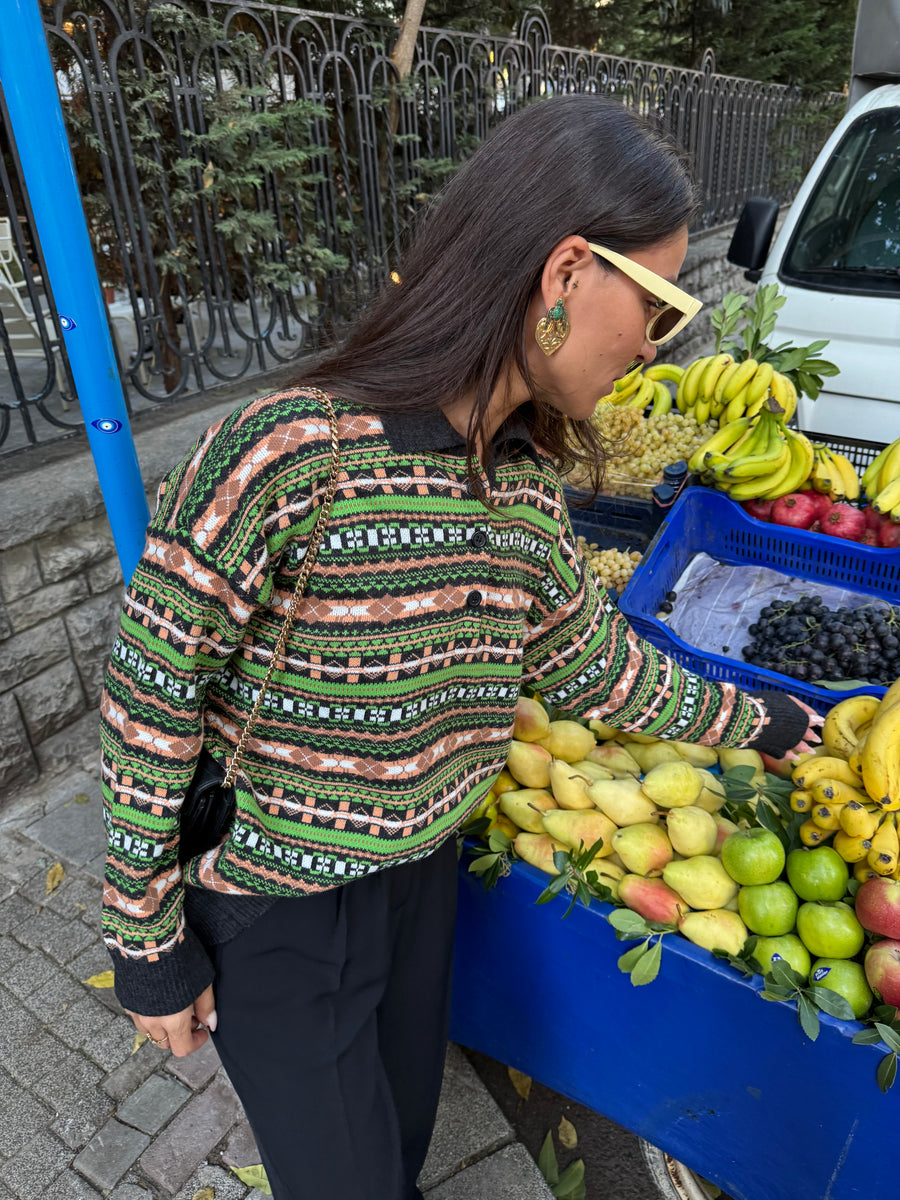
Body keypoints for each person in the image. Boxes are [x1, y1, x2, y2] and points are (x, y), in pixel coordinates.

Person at [100, 94, 822, 1200]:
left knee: (394, 1148)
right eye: (663, 307)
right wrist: (147, 945)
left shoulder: (525, 481)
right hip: (279, 906)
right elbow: (153, 691)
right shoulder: (289, 452)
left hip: (423, 881)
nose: (662, 345)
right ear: (568, 272)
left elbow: (589, 664)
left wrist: (759, 719)